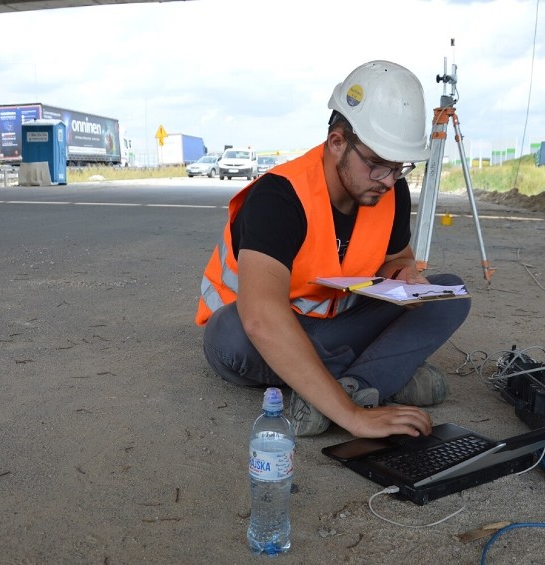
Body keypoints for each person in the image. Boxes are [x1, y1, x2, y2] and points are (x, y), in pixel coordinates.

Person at [195, 60, 471, 439]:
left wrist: (403, 274)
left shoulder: (390, 190)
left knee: (451, 294)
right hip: (263, 334)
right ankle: (379, 378)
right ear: (338, 141)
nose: (389, 181)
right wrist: (353, 418)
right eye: (376, 165)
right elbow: (260, 317)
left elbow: (398, 257)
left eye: (399, 168)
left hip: (336, 330)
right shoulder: (279, 197)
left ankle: (355, 382)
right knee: (231, 333)